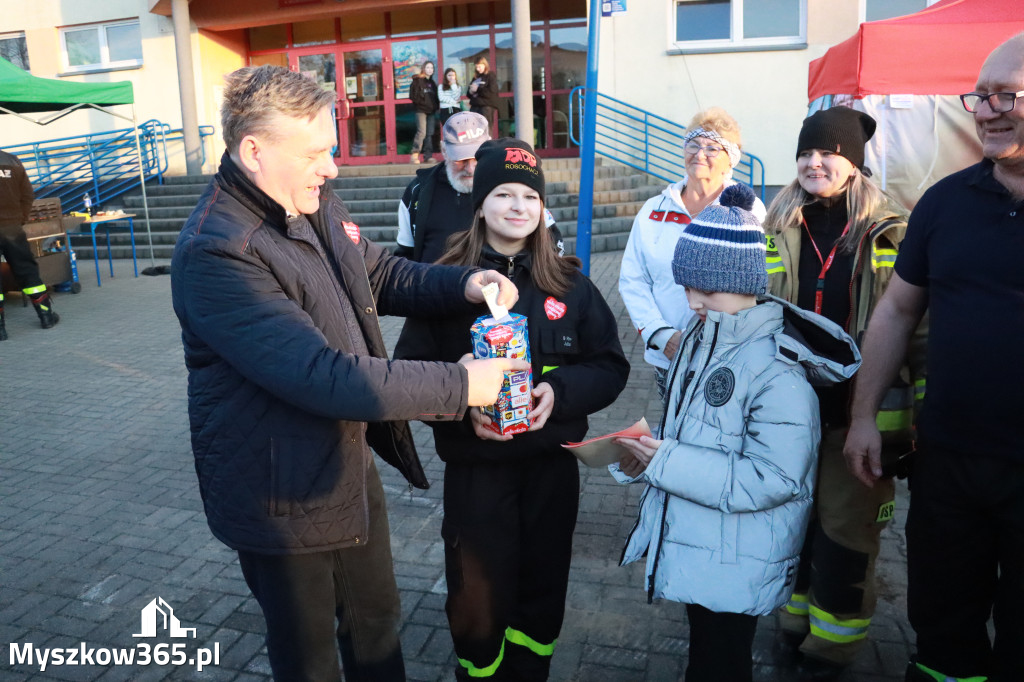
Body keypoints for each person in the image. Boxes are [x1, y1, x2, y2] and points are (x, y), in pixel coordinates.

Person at [170, 65, 529, 682]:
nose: (332, 168)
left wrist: (465, 282)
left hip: (343, 461)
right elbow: (322, 375)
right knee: (310, 653)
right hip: (282, 490)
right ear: (254, 150)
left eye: (331, 151)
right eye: (316, 153)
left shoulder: (308, 200)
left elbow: (380, 272)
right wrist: (464, 384)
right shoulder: (218, 251)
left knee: (376, 618)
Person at [394, 138, 630, 681]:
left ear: (543, 208)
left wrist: (560, 393)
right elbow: (410, 373)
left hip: (551, 472)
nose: (518, 206)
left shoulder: (569, 284)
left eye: (530, 195)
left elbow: (610, 366)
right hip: (477, 474)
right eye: (503, 193)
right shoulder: (445, 282)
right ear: (480, 204)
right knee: (476, 600)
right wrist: (458, 401)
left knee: (542, 592)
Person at [612, 184, 861, 682]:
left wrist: (666, 460)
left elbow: (774, 477)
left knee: (721, 660)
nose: (694, 302)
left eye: (708, 290)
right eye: (687, 288)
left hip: (738, 553)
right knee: (706, 653)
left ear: (748, 284)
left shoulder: (778, 369)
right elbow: (695, 431)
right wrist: (649, 448)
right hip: (706, 544)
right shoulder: (701, 341)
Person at [843, 33, 1024, 682]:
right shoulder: (944, 203)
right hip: (949, 461)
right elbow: (895, 311)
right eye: (981, 96)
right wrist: (864, 416)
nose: (989, 110)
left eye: (1008, 94)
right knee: (944, 628)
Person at [763, 106, 925, 681]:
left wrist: (921, 425)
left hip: (863, 420)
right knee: (792, 527)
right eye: (806, 153)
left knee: (846, 538)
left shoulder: (896, 231)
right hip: (788, 417)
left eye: (828, 153)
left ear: (854, 164)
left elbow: (922, 333)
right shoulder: (776, 225)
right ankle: (791, 625)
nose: (814, 163)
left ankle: (831, 654)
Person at [619, 107, 765, 398]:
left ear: (730, 160)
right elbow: (632, 279)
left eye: (712, 148)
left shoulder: (748, 210)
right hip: (668, 353)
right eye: (693, 144)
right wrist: (660, 335)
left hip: (727, 353)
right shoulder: (653, 210)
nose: (700, 154)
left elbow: (756, 285)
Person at [395, 111, 491, 263]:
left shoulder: (508, 186)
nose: (470, 169)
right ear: (444, 151)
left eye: (477, 158)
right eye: (461, 160)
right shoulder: (418, 191)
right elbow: (405, 255)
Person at [0, 148, 59, 339]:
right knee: (27, 271)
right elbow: (27, 196)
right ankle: (46, 317)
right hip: (12, 228)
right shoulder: (12, 161)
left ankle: (1, 330)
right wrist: (20, 219)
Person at [409, 60, 439, 164]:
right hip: (421, 111)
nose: (430, 70)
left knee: (429, 134)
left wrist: (435, 107)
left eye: (432, 68)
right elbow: (412, 96)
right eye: (428, 67)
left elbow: (435, 98)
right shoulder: (417, 81)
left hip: (431, 112)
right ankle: (415, 155)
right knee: (421, 132)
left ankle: (428, 156)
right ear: (423, 69)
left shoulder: (432, 83)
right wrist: (421, 104)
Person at [468, 57, 499, 130]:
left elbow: (491, 92)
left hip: (485, 107)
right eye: (476, 67)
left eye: (479, 66)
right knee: (474, 130)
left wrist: (477, 89)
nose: (478, 69)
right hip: (474, 107)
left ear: (485, 65)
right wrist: (470, 91)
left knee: (486, 130)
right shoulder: (475, 77)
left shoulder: (490, 76)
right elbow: (469, 93)